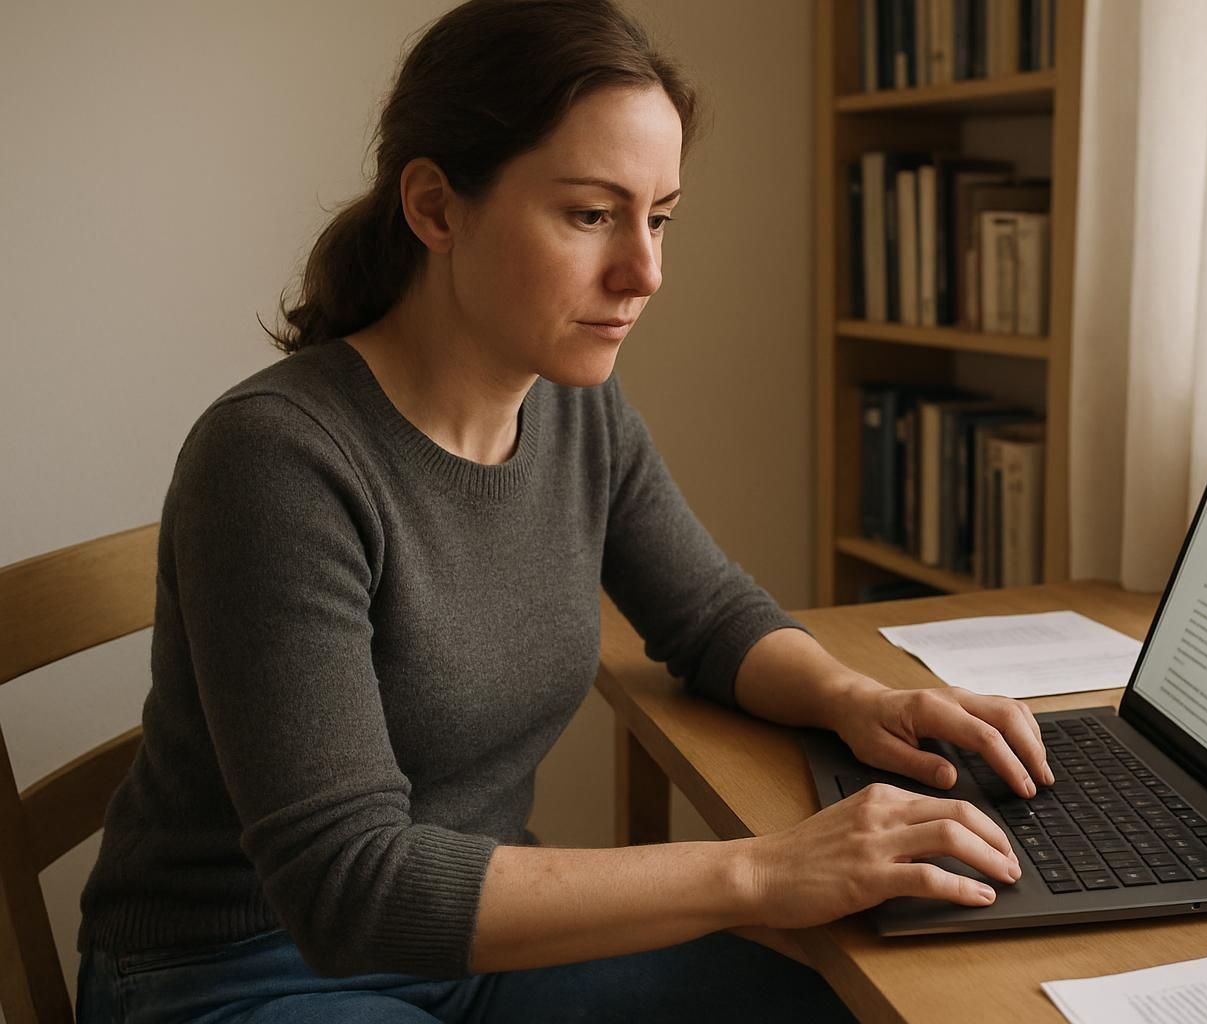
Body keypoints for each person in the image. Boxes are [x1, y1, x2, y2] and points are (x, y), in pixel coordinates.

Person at [73, 0, 1054, 1020]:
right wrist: (764, 872)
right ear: (436, 208)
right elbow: (347, 885)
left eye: (659, 216)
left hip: (481, 949)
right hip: (239, 972)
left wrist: (859, 700)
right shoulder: (277, 459)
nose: (646, 273)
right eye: (592, 215)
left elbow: (707, 615)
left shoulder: (575, 409)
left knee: (861, 1007)